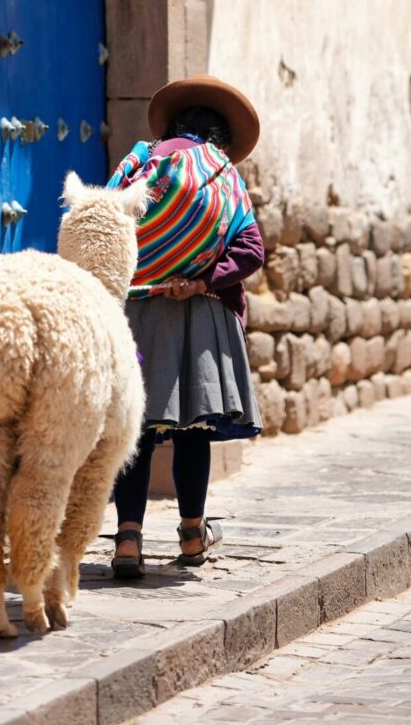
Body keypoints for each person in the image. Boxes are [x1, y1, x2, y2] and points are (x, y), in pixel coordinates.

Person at [105, 75, 265, 576]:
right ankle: (193, 537)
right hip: (200, 316)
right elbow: (251, 249)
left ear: (172, 128)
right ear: (219, 140)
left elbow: (107, 221)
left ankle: (127, 540)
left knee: (135, 430)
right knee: (192, 429)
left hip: (136, 311)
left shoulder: (139, 162)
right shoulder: (221, 172)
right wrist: (200, 278)